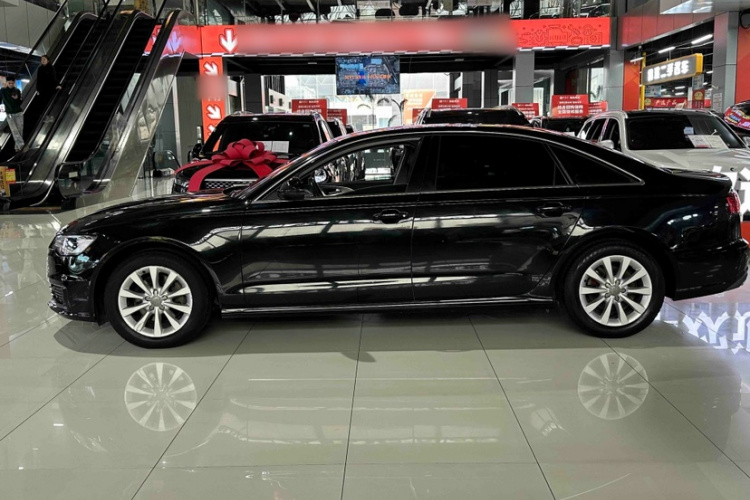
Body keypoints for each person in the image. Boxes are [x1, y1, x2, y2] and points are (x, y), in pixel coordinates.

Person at [1, 77, 24, 152]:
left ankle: (17, 147)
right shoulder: (3, 90)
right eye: (9, 83)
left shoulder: (17, 90)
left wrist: (17, 99)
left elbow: (20, 102)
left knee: (19, 130)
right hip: (9, 113)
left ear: (14, 83)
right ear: (6, 82)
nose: (11, 84)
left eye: (12, 83)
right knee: (14, 130)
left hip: (18, 112)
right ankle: (21, 145)